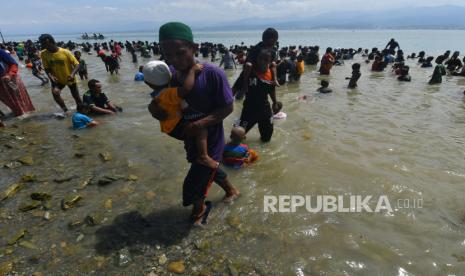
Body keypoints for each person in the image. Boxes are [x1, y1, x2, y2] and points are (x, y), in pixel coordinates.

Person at [149, 22, 239, 226]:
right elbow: (163, 100)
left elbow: (227, 108)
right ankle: (232, 191)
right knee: (205, 170)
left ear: (194, 48)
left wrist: (200, 124)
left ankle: (199, 210)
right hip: (188, 134)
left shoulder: (213, 73)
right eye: (168, 55)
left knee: (194, 183)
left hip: (210, 137)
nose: (174, 60)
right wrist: (154, 110)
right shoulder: (170, 73)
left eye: (180, 53)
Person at [144, 60, 218, 169]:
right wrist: (192, 71)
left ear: (148, 83)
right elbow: (186, 89)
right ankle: (204, 156)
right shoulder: (168, 92)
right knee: (201, 129)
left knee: (191, 136)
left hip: (170, 126)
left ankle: (194, 153)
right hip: (175, 126)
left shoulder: (158, 94)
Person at [237, 48, 282, 142]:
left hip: (265, 109)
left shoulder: (271, 74)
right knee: (237, 135)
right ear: (256, 59)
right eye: (260, 58)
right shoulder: (250, 70)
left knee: (266, 138)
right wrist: (245, 85)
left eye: (266, 60)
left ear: (270, 62)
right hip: (249, 109)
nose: (262, 61)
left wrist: (274, 102)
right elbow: (247, 66)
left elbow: (271, 89)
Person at [39, 34, 81, 113]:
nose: (43, 46)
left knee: (76, 97)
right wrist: (51, 76)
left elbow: (77, 64)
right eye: (42, 44)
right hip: (57, 80)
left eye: (44, 43)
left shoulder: (65, 52)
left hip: (69, 77)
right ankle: (66, 110)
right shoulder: (43, 53)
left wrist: (72, 74)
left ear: (50, 42)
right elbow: (47, 68)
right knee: (55, 93)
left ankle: (82, 111)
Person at [233, 28, 280, 98]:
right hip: (249, 74)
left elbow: (272, 64)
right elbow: (248, 66)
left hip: (260, 76)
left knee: (241, 94)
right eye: (275, 40)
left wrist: (274, 78)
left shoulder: (270, 50)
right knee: (238, 93)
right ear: (271, 40)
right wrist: (245, 83)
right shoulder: (258, 49)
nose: (275, 42)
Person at [0, 48, 35, 127]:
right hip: (1, 85)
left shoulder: (0, 52)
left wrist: (9, 74)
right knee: (9, 101)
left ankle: (28, 122)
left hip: (10, 78)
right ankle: (17, 115)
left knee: (20, 99)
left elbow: (13, 64)